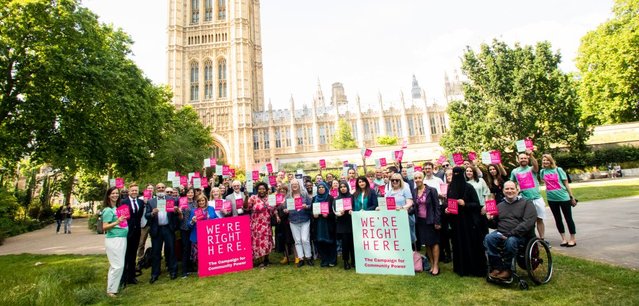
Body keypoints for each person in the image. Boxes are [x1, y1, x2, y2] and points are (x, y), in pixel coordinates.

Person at [484, 181, 537, 280]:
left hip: (520, 235)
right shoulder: (499, 206)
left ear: (517, 190)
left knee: (511, 241)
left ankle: (507, 269)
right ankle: (497, 267)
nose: (510, 191)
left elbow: (528, 223)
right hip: (502, 232)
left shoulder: (527, 203)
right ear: (503, 191)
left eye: (512, 188)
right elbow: (495, 225)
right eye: (507, 189)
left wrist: (510, 234)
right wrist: (489, 219)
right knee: (489, 238)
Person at [446, 166, 487, 277]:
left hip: (468, 222)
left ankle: (473, 268)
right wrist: (447, 209)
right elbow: (448, 202)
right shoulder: (450, 188)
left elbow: (476, 204)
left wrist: (465, 204)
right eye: (455, 174)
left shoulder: (469, 187)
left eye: (459, 174)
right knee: (458, 243)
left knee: (470, 243)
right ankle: (460, 267)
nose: (456, 176)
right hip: (456, 222)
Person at [145, 183, 183, 283]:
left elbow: (176, 214)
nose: (161, 189)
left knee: (171, 250)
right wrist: (153, 213)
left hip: (168, 229)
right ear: (156, 190)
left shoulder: (172, 199)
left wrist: (176, 211)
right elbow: (146, 215)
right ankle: (155, 273)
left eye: (162, 187)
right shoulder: (151, 201)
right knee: (156, 252)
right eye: (159, 188)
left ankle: (173, 271)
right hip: (156, 229)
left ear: (165, 189)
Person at [539, 154, 578, 247]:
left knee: (568, 218)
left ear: (551, 161)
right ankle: (564, 238)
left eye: (547, 160)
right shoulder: (542, 171)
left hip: (563, 198)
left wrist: (571, 196)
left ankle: (572, 239)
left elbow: (566, 184)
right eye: (544, 160)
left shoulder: (558, 170)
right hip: (551, 199)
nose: (545, 162)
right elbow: (543, 181)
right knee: (558, 219)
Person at [510, 150, 546, 241]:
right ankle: (531, 239)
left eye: (525, 158)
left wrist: (531, 155)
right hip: (524, 199)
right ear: (518, 160)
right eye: (521, 158)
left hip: (537, 198)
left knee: (540, 219)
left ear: (528, 159)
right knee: (528, 221)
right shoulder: (515, 171)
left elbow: (536, 165)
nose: (523, 159)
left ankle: (542, 239)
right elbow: (512, 183)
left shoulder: (531, 169)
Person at [413, 171, 441, 275]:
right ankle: (432, 263)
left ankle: (436, 266)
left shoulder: (431, 190)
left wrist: (437, 221)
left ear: (423, 178)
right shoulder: (414, 191)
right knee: (427, 244)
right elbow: (414, 207)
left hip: (431, 220)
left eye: (419, 177)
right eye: (415, 178)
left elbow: (437, 207)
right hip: (420, 221)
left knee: (434, 242)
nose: (418, 180)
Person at [101, 187, 128, 298]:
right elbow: (104, 227)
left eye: (117, 193)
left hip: (122, 238)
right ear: (108, 195)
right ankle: (111, 290)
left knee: (117, 265)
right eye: (113, 193)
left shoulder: (118, 208)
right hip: (114, 239)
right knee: (118, 266)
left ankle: (113, 288)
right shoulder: (108, 210)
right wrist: (117, 221)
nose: (115, 195)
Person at [246, 181, 276, 268]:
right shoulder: (253, 198)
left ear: (266, 190)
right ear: (257, 190)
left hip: (266, 223)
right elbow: (246, 207)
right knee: (258, 243)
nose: (261, 190)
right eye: (259, 189)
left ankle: (266, 260)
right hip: (256, 224)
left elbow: (274, 209)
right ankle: (260, 261)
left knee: (267, 241)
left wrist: (277, 216)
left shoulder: (270, 198)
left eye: (263, 189)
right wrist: (246, 197)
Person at [285, 179, 314, 267]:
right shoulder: (288, 196)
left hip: (305, 219)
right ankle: (301, 258)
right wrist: (285, 210)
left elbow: (310, 205)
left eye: (296, 184)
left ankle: (308, 257)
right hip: (293, 220)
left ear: (299, 185)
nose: (294, 185)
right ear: (291, 186)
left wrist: (306, 206)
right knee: (297, 240)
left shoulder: (304, 194)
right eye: (292, 184)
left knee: (305, 239)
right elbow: (285, 207)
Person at [188, 194, 218, 274]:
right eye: (199, 201)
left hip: (209, 235)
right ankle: (201, 268)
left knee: (209, 252)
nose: (201, 202)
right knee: (199, 254)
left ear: (205, 201)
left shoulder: (211, 209)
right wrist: (192, 221)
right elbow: (189, 225)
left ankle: (211, 267)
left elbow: (217, 219)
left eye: (203, 200)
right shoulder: (193, 211)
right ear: (197, 202)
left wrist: (212, 219)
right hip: (197, 234)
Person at [121, 183, 144, 285]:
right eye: (132, 190)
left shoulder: (141, 202)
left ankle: (131, 276)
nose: (134, 192)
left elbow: (140, 216)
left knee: (133, 253)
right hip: (127, 230)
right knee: (126, 253)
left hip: (137, 230)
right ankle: (123, 276)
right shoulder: (123, 202)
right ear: (129, 192)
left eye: (136, 190)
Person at [386, 173, 415, 245]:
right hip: (393, 219)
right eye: (392, 180)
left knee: (407, 238)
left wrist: (402, 208)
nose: (394, 182)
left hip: (405, 217)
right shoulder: (389, 192)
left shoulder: (405, 190)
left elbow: (410, 202)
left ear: (400, 181)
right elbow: (385, 204)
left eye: (397, 180)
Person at [312, 182, 336, 267]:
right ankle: (324, 260)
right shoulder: (314, 198)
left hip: (328, 224)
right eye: (319, 187)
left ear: (326, 188)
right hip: (318, 224)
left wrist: (328, 215)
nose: (321, 189)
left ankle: (332, 260)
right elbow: (311, 211)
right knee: (320, 243)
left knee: (330, 242)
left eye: (322, 187)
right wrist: (314, 215)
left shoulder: (331, 198)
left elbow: (334, 212)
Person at [335, 181, 355, 269]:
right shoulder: (337, 199)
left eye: (344, 187)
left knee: (353, 243)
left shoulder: (352, 197)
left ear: (347, 187)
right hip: (342, 224)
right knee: (345, 244)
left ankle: (354, 261)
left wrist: (352, 211)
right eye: (341, 187)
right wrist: (339, 213)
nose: (343, 188)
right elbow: (335, 211)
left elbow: (356, 207)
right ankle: (346, 261)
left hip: (352, 222)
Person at [178, 188, 196, 277]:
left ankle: (191, 267)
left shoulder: (196, 203)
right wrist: (180, 211)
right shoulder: (182, 202)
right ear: (186, 194)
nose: (190, 194)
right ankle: (184, 270)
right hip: (185, 228)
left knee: (193, 249)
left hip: (194, 228)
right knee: (186, 248)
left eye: (192, 192)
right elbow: (180, 218)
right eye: (188, 192)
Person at [136, 184, 154, 260]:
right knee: (141, 242)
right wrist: (144, 203)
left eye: (151, 188)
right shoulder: (140, 199)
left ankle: (153, 258)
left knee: (155, 242)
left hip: (153, 223)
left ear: (153, 190)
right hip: (144, 223)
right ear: (146, 190)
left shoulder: (156, 198)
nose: (150, 190)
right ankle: (140, 259)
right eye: (148, 188)